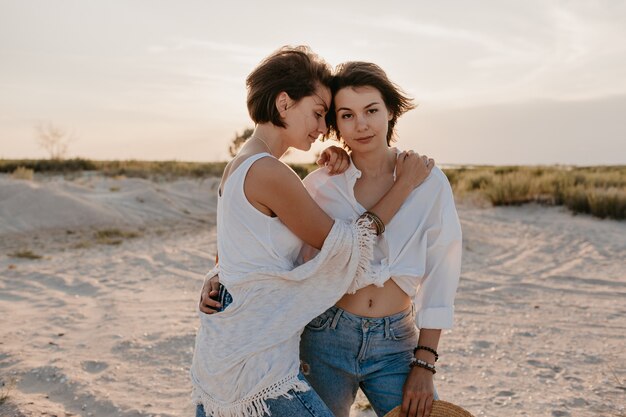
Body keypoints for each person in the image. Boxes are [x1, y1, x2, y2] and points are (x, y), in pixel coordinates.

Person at [201, 61, 462, 417]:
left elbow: (442, 273)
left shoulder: (429, 182)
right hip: (325, 334)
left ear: (390, 111)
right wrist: (218, 276)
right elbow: (317, 249)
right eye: (343, 115)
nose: (361, 124)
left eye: (371, 110)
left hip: (396, 340)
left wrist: (425, 362)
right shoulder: (320, 184)